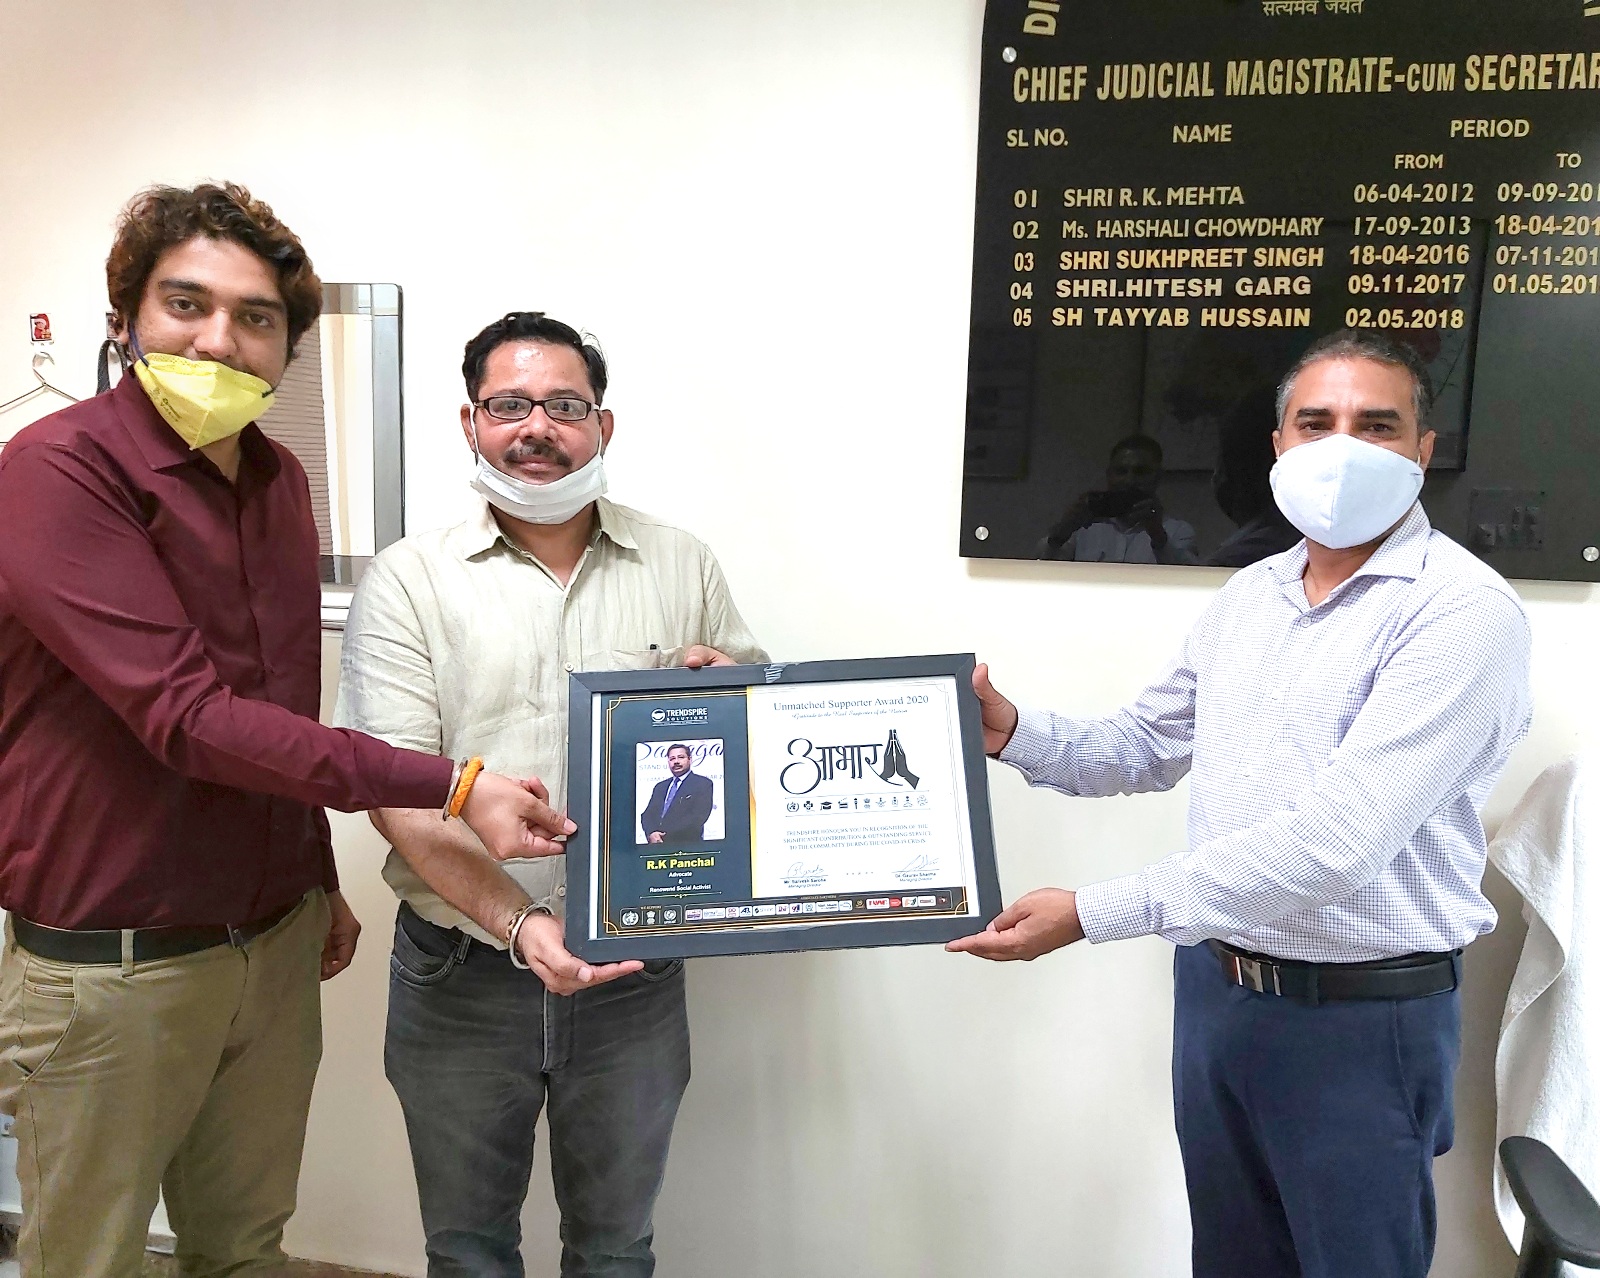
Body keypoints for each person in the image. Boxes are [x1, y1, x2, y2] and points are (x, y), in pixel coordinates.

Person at [0, 184, 570, 1278]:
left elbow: (274, 705)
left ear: (285, 348)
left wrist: (309, 873)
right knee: (90, 1259)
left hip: (267, 944)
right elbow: (188, 720)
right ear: (126, 316)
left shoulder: (275, 477)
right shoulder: (58, 469)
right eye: (187, 304)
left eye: (255, 317)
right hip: (113, 970)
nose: (219, 340)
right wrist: (455, 786)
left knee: (246, 1249)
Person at [952, 329, 1533, 1278]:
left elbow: (1335, 845)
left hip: (1359, 1021)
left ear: (1424, 450)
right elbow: (1144, 744)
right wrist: (1010, 730)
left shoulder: (1462, 613)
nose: (1342, 448)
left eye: (1377, 426)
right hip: (1219, 999)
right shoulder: (1250, 595)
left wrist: (1093, 912)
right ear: (1277, 445)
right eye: (1316, 422)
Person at [334, 311, 766, 1276]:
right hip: (460, 970)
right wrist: (519, 922)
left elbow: (754, 737)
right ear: (470, 422)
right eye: (510, 405)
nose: (538, 427)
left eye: (566, 406)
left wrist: (732, 700)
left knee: (616, 1248)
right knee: (467, 1249)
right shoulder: (409, 581)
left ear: (602, 426)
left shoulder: (681, 563)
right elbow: (391, 789)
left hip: (634, 977)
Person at [1038, 434, 1199, 564]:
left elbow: (1190, 579)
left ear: (1158, 477)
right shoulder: (1083, 529)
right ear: (1109, 475)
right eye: (1121, 471)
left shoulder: (1177, 531)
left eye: (1140, 472)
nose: (1129, 480)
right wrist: (1061, 532)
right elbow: (1041, 568)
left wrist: (1158, 537)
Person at [641, 744, 715, 843]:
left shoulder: (702, 784)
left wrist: (664, 835)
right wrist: (651, 833)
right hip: (657, 846)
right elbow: (647, 814)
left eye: (681, 757)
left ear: (690, 759)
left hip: (687, 844)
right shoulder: (660, 787)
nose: (676, 761)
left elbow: (698, 817)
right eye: (672, 758)